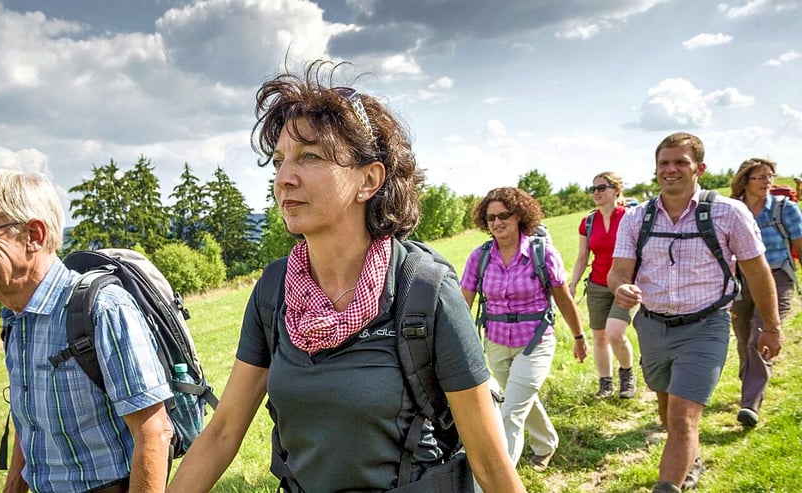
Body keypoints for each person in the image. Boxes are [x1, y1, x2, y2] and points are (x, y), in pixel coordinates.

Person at [169, 60, 525, 492]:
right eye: (279, 160)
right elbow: (224, 431)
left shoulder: (426, 292)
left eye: (310, 156)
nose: (284, 178)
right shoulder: (273, 292)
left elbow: (490, 462)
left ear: (369, 179)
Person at [0, 169, 173, 493]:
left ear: (33, 235)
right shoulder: (15, 317)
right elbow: (31, 420)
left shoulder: (103, 308)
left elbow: (154, 433)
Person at [608, 133, 784, 493]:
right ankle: (692, 459)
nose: (670, 170)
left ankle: (667, 486)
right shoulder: (635, 219)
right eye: (664, 163)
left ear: (699, 168)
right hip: (653, 326)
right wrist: (620, 287)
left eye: (680, 162)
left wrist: (771, 327)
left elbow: (757, 271)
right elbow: (618, 271)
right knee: (666, 407)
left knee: (682, 415)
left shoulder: (727, 213)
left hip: (707, 325)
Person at [459, 187, 588, 473]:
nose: (497, 222)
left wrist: (579, 337)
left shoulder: (542, 254)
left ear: (520, 216)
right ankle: (546, 443)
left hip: (535, 342)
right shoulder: (479, 258)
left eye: (504, 215)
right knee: (519, 399)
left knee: (510, 412)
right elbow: (462, 303)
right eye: (491, 217)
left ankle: (497, 482)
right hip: (495, 342)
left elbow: (564, 300)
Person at [729, 158, 802, 428]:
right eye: (759, 177)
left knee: (760, 336)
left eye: (769, 176)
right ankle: (749, 382)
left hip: (777, 276)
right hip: (741, 281)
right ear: (745, 180)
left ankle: (750, 403)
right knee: (743, 338)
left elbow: (799, 245)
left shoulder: (786, 209)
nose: (766, 182)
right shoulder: (734, 210)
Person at [568, 172, 637, 399]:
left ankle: (627, 375)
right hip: (597, 284)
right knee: (599, 337)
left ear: (616, 190)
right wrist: (573, 283)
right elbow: (582, 257)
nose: (596, 192)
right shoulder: (587, 222)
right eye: (593, 188)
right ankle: (605, 383)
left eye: (602, 187)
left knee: (615, 333)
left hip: (624, 285)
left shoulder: (630, 217)